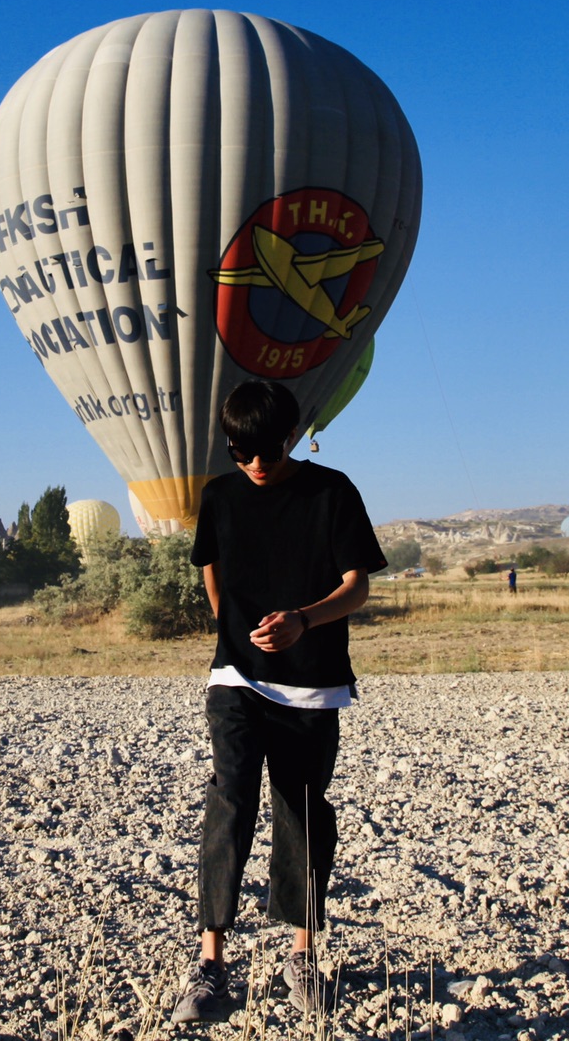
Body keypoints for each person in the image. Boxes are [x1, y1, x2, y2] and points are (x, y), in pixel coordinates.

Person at [170, 380, 387, 1025]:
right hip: (237, 679)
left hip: (312, 686)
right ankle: (211, 965)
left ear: (291, 436)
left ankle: (301, 954)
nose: (256, 463)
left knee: (300, 811)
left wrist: (304, 620)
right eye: (242, 451)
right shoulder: (219, 495)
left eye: (268, 448)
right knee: (231, 798)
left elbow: (358, 588)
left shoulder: (332, 491)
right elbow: (209, 561)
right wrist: (227, 626)